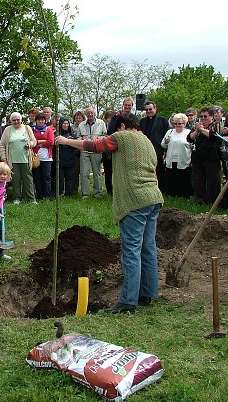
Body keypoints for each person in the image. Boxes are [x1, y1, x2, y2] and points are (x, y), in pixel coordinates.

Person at [56, 113, 163, 313]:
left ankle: (128, 302)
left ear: (122, 126)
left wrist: (66, 140)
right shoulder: (146, 140)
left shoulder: (123, 137)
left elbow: (95, 145)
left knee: (131, 251)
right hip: (153, 197)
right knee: (148, 248)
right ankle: (147, 293)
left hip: (135, 200)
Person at [0, 112, 37, 204]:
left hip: (26, 159)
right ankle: (17, 198)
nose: (16, 122)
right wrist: (4, 158)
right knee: (15, 179)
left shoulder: (27, 128)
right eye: (14, 120)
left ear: (21, 120)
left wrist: (30, 144)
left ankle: (31, 198)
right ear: (11, 121)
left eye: (18, 120)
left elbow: (34, 141)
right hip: (12, 160)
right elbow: (2, 145)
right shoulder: (7, 130)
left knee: (28, 179)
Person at [187, 107, 222, 204]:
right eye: (201, 116)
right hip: (198, 157)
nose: (203, 119)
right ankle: (200, 200)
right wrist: (197, 130)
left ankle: (212, 201)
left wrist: (202, 130)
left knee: (213, 181)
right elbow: (189, 138)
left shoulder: (216, 125)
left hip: (212, 157)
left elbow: (215, 137)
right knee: (198, 180)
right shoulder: (197, 126)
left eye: (205, 116)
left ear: (211, 116)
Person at [139, 101, 170, 191]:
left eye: (150, 109)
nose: (148, 111)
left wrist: (165, 151)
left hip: (158, 150)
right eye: (147, 109)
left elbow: (166, 135)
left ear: (155, 109)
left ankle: (160, 189)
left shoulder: (163, 120)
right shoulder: (142, 121)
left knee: (159, 171)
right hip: (145, 150)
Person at [160, 113, 192, 198]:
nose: (177, 125)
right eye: (176, 123)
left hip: (184, 160)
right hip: (171, 160)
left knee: (183, 179)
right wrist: (165, 142)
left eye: (180, 123)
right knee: (171, 178)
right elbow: (163, 145)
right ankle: (171, 195)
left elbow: (192, 147)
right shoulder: (170, 132)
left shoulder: (188, 133)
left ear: (184, 124)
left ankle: (183, 196)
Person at [78, 106, 106, 199]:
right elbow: (77, 137)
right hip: (84, 150)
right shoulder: (81, 125)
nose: (90, 114)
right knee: (84, 173)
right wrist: (82, 139)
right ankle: (85, 194)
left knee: (96, 173)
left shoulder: (101, 123)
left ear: (94, 113)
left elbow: (105, 136)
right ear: (85, 114)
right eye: (88, 113)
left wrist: (98, 139)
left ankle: (98, 193)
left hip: (96, 150)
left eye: (91, 113)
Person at [31, 112, 54, 200]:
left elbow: (51, 141)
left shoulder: (49, 130)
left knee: (46, 177)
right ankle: (39, 195)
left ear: (45, 121)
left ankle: (47, 196)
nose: (40, 121)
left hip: (47, 157)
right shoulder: (33, 130)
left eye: (42, 120)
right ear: (36, 120)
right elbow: (32, 141)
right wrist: (43, 141)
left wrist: (40, 144)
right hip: (36, 157)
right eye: (39, 120)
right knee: (37, 177)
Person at [57, 117, 77, 196]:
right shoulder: (57, 134)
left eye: (67, 124)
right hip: (60, 159)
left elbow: (75, 147)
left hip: (70, 158)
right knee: (60, 178)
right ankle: (60, 192)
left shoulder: (72, 134)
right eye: (64, 123)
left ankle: (68, 193)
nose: (65, 125)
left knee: (69, 177)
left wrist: (70, 141)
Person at [102, 110, 117, 195]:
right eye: (108, 118)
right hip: (106, 153)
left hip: (114, 152)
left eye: (111, 117)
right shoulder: (104, 127)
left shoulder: (116, 128)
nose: (110, 119)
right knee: (107, 172)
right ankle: (109, 190)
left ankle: (116, 190)